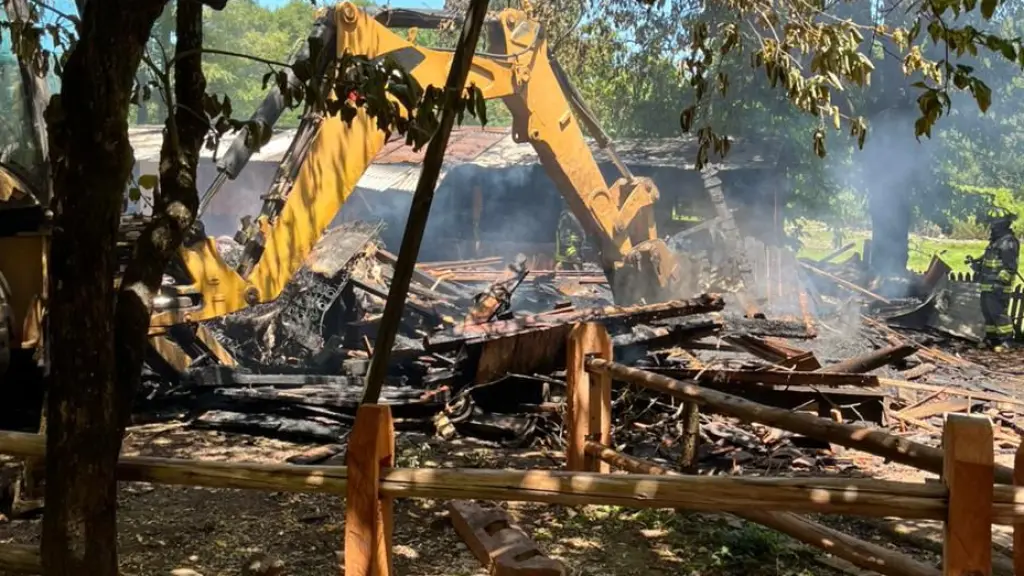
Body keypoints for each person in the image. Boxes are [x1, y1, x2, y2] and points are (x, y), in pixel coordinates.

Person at [973, 207, 1020, 352]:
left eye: (994, 224)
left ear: (1002, 225)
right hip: (987, 285)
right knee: (988, 312)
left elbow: (1010, 268)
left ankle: (1007, 342)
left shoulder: (1008, 243)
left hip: (998, 286)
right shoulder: (996, 242)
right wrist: (977, 266)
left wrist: (1000, 283)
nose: (991, 227)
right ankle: (992, 339)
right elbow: (990, 263)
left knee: (998, 313)